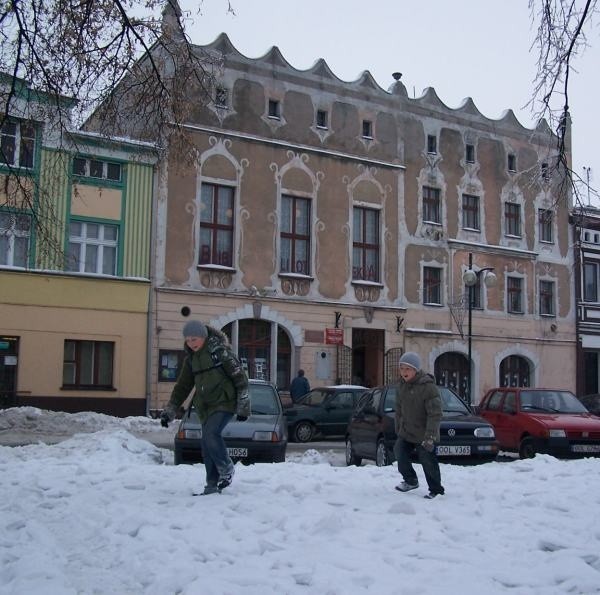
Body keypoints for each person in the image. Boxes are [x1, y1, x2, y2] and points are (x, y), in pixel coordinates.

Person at [160, 320, 250, 495]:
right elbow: (183, 387)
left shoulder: (220, 352)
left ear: (204, 336)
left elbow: (240, 378)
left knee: (211, 434)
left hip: (225, 402)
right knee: (206, 444)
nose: (191, 343)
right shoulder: (191, 360)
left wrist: (243, 406)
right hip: (205, 406)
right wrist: (170, 410)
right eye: (187, 340)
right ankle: (211, 485)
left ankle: (226, 468)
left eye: (194, 339)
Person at [393, 351, 445, 499]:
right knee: (399, 451)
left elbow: (435, 414)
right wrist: (398, 427)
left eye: (407, 369)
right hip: (407, 431)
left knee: (428, 461)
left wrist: (430, 437)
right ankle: (411, 480)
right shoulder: (401, 386)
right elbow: (399, 409)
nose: (404, 372)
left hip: (424, 433)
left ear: (415, 370)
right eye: (402, 368)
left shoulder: (428, 387)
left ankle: (436, 490)